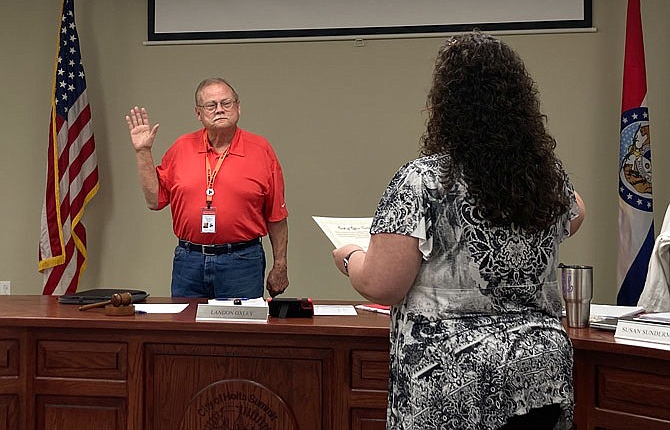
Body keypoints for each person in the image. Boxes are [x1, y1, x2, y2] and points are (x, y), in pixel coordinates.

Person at [333, 32, 586, 430]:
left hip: (455, 380)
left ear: (447, 105)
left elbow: (383, 285)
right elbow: (575, 216)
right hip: (540, 372)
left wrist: (350, 257)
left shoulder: (423, 181)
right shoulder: (545, 179)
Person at [126, 77, 288, 299]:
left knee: (239, 333)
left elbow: (276, 216)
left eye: (226, 103)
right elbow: (154, 201)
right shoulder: (181, 148)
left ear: (238, 107)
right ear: (198, 113)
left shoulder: (261, 150)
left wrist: (280, 265)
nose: (219, 110)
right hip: (189, 261)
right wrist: (142, 152)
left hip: (242, 261)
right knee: (187, 331)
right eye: (211, 105)